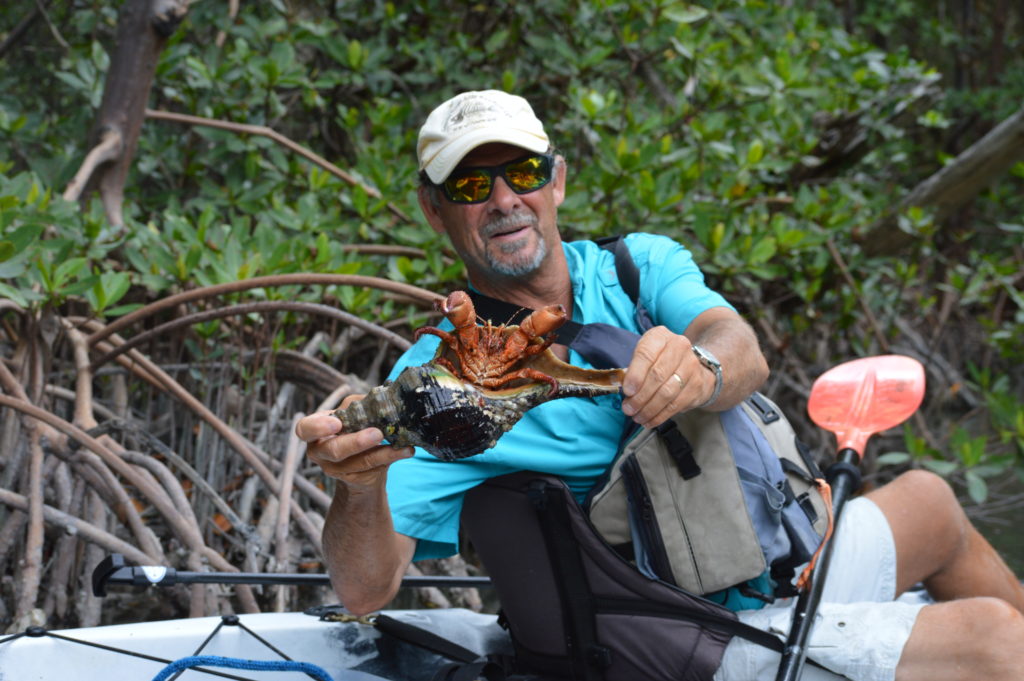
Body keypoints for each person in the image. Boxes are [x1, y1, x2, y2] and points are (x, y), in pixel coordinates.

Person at [297, 90, 1024, 681]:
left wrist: (699, 370)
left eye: (520, 173)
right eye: (468, 185)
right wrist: (357, 486)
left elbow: (739, 347)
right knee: (994, 642)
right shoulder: (442, 379)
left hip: (774, 571)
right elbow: (365, 590)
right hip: (679, 638)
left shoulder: (634, 267)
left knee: (930, 500)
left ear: (555, 180)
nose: (501, 200)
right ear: (435, 209)